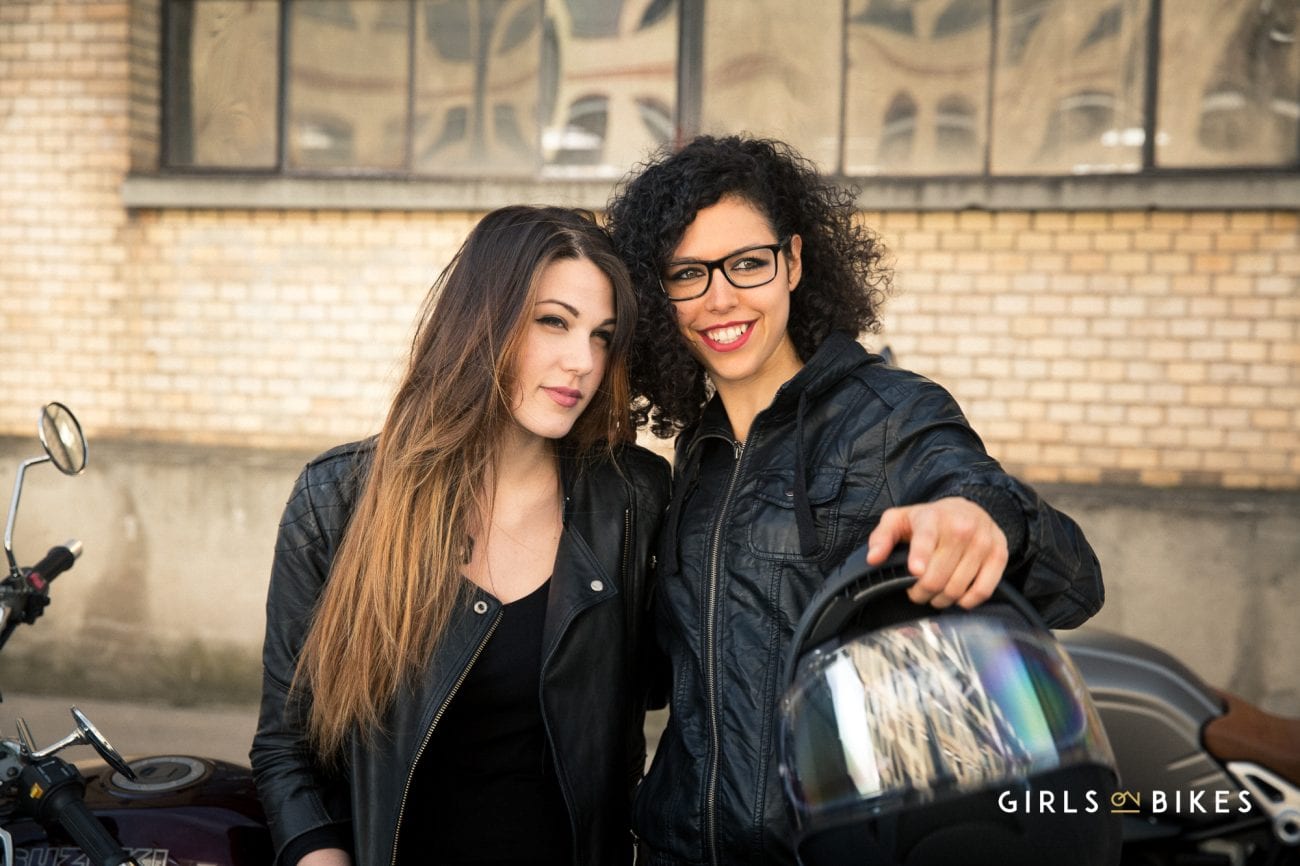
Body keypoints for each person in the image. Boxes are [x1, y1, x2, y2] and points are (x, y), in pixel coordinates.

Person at [604, 136, 1106, 866]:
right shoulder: (698, 454)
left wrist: (981, 516)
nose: (721, 297)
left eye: (748, 263)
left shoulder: (888, 414)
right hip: (676, 849)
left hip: (825, 850)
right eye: (688, 274)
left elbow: (1071, 580)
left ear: (795, 262)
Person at [250, 205, 671, 866]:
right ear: (483, 321)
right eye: (553, 322)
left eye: (601, 335)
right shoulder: (339, 500)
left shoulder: (630, 499)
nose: (582, 361)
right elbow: (285, 748)